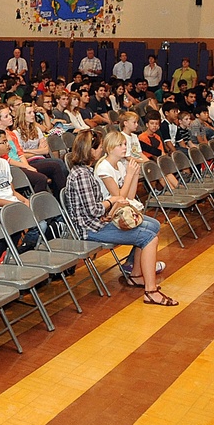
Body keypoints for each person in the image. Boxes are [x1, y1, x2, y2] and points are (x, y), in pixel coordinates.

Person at [63, 130, 177, 306]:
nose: (101, 151)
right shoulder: (81, 175)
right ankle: (150, 291)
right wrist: (112, 200)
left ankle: (136, 275)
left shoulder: (84, 171)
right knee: (149, 237)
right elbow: (94, 210)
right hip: (90, 229)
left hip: (99, 222)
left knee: (150, 229)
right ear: (91, 150)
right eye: (100, 147)